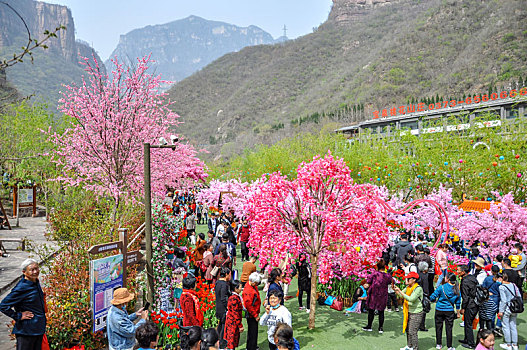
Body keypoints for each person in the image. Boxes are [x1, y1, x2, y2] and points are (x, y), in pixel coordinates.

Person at [0, 258, 46, 350]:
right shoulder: (22, 287)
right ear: (24, 272)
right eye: (32, 270)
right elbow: (3, 305)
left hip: (38, 329)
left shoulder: (35, 282)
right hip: (26, 331)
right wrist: (18, 315)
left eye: (37, 268)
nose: (35, 271)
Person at [429, 273, 461, 350]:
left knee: (438, 327)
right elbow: (458, 302)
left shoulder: (441, 287)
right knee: (449, 328)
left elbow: (433, 296)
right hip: (449, 311)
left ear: (448, 279)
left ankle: (438, 344)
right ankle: (449, 346)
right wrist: (458, 313)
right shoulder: (456, 289)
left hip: (439, 309)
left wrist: (432, 299)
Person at [394, 271, 424, 350]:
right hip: (409, 311)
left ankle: (415, 348)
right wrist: (396, 290)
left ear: (414, 280)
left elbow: (411, 299)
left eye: (408, 279)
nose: (407, 280)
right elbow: (401, 295)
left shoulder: (418, 289)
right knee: (408, 330)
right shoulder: (408, 287)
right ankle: (409, 345)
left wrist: (400, 291)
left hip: (417, 313)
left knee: (412, 331)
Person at [363, 259, 393, 334]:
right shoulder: (387, 275)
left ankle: (369, 326)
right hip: (383, 295)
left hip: (374, 294)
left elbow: (368, 281)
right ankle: (380, 328)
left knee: (371, 310)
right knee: (381, 311)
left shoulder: (374, 274)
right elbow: (391, 281)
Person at [458, 264, 479, 349]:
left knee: (468, 324)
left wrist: (463, 308)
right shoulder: (472, 277)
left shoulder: (465, 281)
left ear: (463, 272)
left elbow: (465, 297)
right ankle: (467, 339)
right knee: (468, 323)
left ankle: (471, 343)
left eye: (459, 270)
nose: (457, 272)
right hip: (475, 303)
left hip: (470, 305)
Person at [498, 273, 519, 350]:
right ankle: (515, 344)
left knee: (505, 326)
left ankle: (508, 344)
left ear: (501, 278)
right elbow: (518, 295)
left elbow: (503, 300)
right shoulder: (513, 285)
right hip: (515, 308)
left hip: (507, 308)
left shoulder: (502, 287)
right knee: (513, 326)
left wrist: (501, 311)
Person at [243, 272, 262, 350]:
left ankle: (252, 346)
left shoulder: (251, 286)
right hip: (252, 314)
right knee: (252, 332)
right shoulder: (248, 291)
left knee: (253, 331)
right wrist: (255, 315)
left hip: (254, 312)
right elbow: (248, 306)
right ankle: (251, 347)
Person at [480, 265, 501, 332]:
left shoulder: (487, 279)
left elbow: (483, 287)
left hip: (489, 296)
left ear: (491, 271)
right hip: (497, 297)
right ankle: (497, 326)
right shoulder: (499, 280)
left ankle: (491, 328)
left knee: (489, 313)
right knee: (496, 313)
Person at [224, 280, 244, 350]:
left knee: (232, 342)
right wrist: (240, 325)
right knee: (231, 342)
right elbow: (235, 313)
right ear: (236, 288)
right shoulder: (234, 299)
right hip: (232, 323)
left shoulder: (234, 297)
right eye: (240, 287)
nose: (241, 289)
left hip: (233, 322)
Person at [215, 267, 231, 349]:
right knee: (223, 327)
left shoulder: (217, 282)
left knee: (220, 326)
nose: (230, 276)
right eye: (229, 274)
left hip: (218, 307)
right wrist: (228, 307)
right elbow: (223, 298)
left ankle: (216, 341)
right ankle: (221, 344)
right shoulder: (224, 285)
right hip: (223, 309)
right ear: (226, 275)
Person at [417, 261, 430, 332]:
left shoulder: (418, 274)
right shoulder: (425, 276)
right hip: (423, 295)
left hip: (417, 294)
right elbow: (425, 287)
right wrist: (427, 295)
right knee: (423, 311)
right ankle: (422, 326)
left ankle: (418, 325)